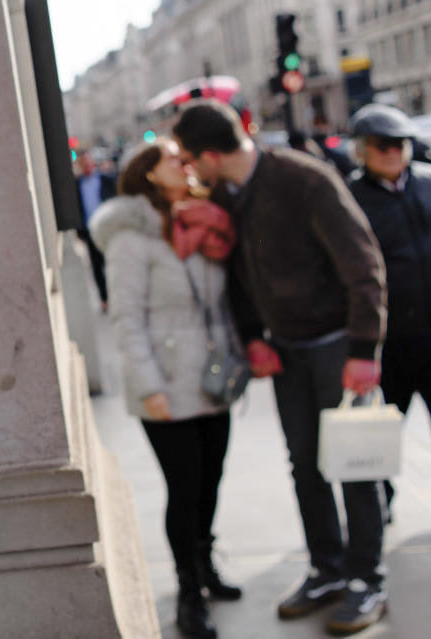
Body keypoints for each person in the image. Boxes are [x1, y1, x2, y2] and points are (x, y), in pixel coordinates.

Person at [173, 100, 389, 636]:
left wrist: (364, 350)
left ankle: (366, 579)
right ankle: (327, 570)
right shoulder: (226, 194)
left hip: (338, 344)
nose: (188, 168)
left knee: (353, 464)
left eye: (188, 158)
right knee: (305, 464)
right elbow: (241, 276)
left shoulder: (303, 178)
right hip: (285, 349)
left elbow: (364, 266)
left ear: (210, 154)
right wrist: (253, 338)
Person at [89, 139, 243, 639]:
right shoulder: (131, 237)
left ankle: (205, 564)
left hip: (211, 379)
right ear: (150, 174)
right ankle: (187, 592)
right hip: (165, 383)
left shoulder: (202, 222)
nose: (185, 163)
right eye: (173, 159)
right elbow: (126, 320)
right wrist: (149, 385)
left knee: (212, 479)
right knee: (185, 487)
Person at [347, 104, 431, 500]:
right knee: (379, 436)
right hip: (388, 342)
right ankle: (379, 503)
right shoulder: (350, 198)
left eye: (400, 143)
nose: (392, 152)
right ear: (363, 150)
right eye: (382, 144)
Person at [76, 150, 116, 312]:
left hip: (108, 230)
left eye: (88, 163)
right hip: (90, 231)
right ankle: (105, 298)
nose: (86, 166)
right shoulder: (77, 184)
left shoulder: (106, 179)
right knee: (97, 267)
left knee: (112, 264)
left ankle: (116, 295)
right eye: (82, 164)